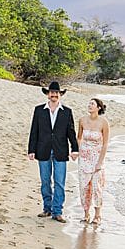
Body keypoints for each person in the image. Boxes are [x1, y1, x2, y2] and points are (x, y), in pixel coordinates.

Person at [27, 81, 79, 222]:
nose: (54, 95)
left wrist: (75, 149)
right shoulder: (39, 110)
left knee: (59, 182)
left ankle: (57, 211)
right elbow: (34, 131)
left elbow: (71, 132)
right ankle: (47, 208)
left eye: (56, 93)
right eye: (51, 92)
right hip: (43, 150)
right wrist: (31, 150)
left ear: (60, 94)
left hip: (60, 150)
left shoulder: (67, 112)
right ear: (48, 94)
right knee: (45, 181)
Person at [77, 97, 110, 224]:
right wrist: (80, 151)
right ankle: (86, 214)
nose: (89, 106)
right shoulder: (82, 120)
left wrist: (100, 162)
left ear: (99, 107)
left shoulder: (104, 122)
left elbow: (105, 143)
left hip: (97, 157)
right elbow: (79, 138)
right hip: (84, 158)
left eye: (92, 104)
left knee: (97, 187)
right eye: (89, 104)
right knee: (84, 186)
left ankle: (97, 215)